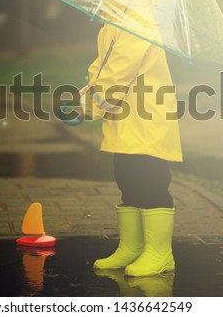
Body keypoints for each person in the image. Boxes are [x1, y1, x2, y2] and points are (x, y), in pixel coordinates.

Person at [79, 21, 182, 277]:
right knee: (127, 180)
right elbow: (103, 64)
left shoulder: (137, 22)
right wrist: (89, 91)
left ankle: (160, 253)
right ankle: (132, 247)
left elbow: (119, 71)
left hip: (144, 118)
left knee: (150, 182)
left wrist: (92, 105)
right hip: (125, 118)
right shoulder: (113, 23)